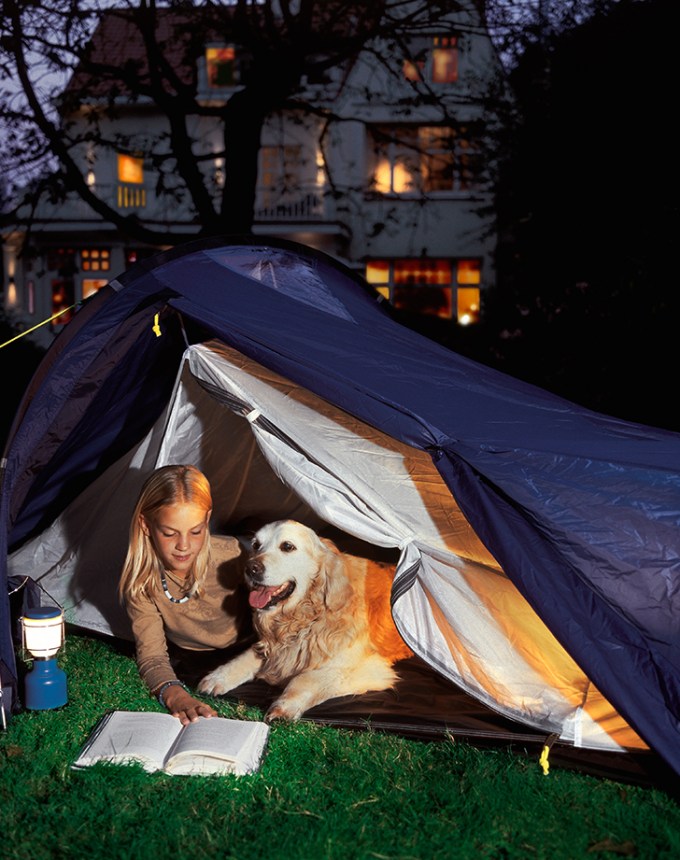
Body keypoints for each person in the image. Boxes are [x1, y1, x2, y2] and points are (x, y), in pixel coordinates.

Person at [118, 464, 253, 725]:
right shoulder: (142, 582)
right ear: (146, 525)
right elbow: (153, 656)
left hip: (247, 646)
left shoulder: (232, 556)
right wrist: (174, 694)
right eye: (169, 533)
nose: (184, 546)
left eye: (195, 531)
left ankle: (250, 524)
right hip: (191, 655)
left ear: (207, 520)